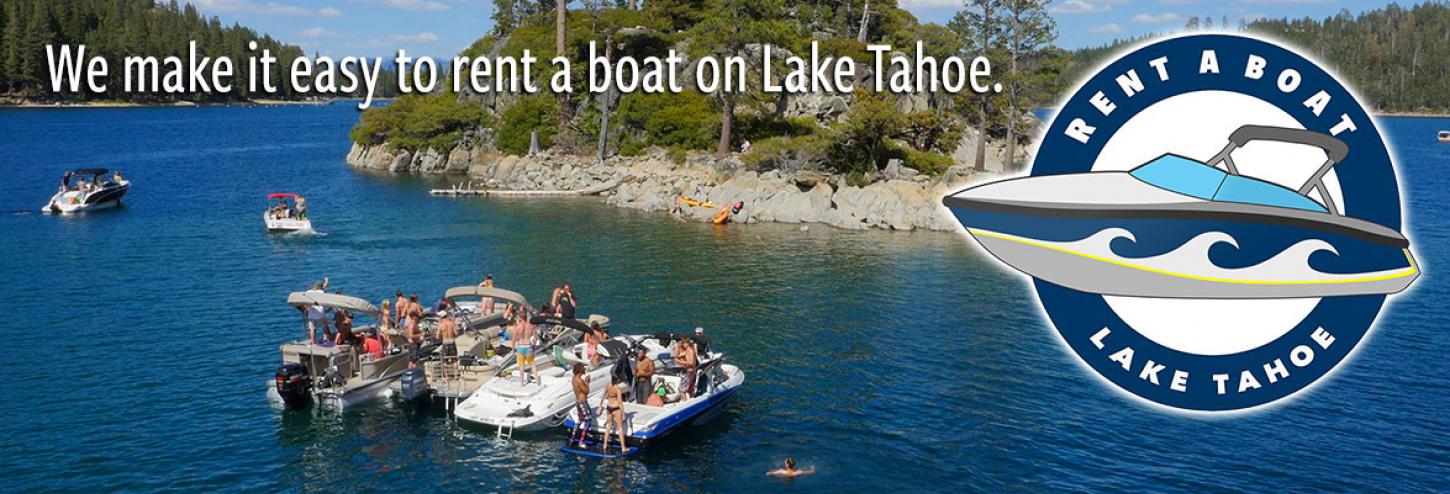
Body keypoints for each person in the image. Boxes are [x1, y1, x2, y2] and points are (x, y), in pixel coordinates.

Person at [602, 376, 629, 454]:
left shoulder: (607, 385)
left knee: (608, 426)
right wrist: (623, 414)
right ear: (617, 380)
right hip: (616, 408)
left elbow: (603, 396)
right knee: (620, 427)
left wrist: (600, 405)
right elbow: (620, 402)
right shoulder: (618, 389)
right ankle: (623, 447)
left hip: (609, 407)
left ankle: (604, 445)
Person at [570, 363, 594, 447]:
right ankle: (581, 441)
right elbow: (586, 391)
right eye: (583, 368)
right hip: (582, 402)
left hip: (578, 402)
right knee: (588, 421)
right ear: (580, 370)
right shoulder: (579, 380)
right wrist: (587, 382)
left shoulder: (574, 378)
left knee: (580, 420)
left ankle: (572, 438)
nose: (584, 369)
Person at [514, 309, 538, 383]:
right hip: (528, 346)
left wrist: (513, 349)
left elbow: (514, 339)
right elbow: (535, 338)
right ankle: (537, 380)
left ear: (520, 318)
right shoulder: (532, 326)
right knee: (532, 364)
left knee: (521, 366)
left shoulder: (517, 327)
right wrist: (534, 346)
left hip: (520, 346)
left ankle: (522, 383)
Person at [438, 310, 460, 377]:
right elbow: (456, 333)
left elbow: (437, 336)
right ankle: (456, 375)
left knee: (445, 360)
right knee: (455, 359)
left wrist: (443, 337)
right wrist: (453, 335)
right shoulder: (452, 323)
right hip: (452, 342)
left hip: (445, 343)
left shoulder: (441, 325)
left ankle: (446, 377)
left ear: (441, 317)